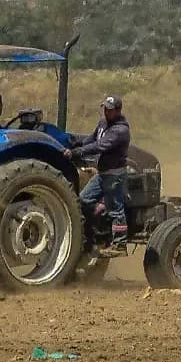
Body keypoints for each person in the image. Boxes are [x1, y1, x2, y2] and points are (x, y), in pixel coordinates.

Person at [65, 95, 131, 256]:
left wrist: (77, 152)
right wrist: (77, 143)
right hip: (102, 174)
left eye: (110, 110)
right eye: (105, 108)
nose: (106, 112)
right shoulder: (103, 123)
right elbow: (93, 138)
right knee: (83, 200)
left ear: (118, 111)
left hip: (114, 175)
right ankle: (96, 230)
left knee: (116, 209)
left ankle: (120, 245)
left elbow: (100, 146)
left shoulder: (120, 131)